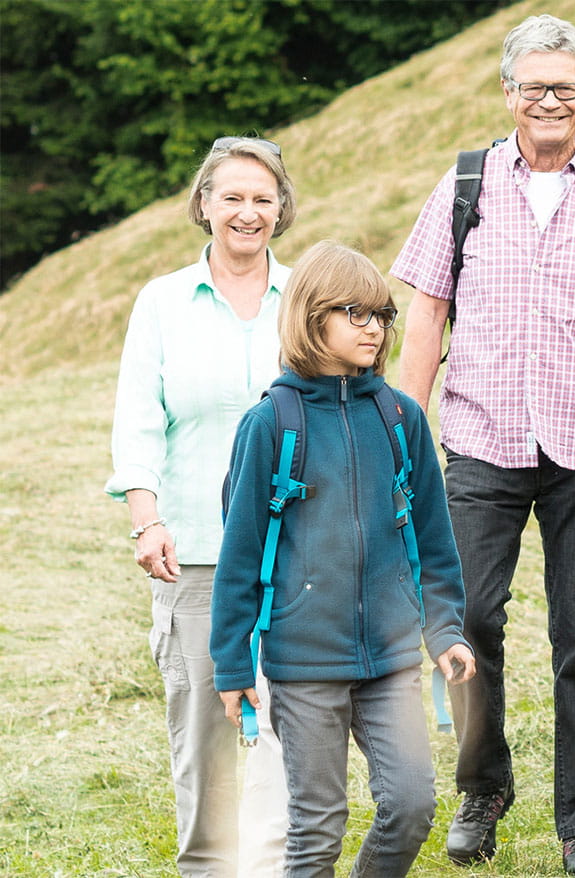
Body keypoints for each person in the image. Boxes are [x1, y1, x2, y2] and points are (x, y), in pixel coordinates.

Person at [389, 13, 575, 874]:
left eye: (566, 86)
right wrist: (402, 436)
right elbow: (427, 312)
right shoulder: (465, 183)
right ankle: (484, 788)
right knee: (468, 620)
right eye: (534, 86)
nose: (550, 100)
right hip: (480, 437)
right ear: (508, 94)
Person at [209, 240, 476, 877]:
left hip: (390, 658)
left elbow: (434, 541)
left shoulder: (401, 417)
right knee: (317, 827)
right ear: (311, 316)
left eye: (382, 315)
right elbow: (239, 553)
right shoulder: (271, 423)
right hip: (301, 664)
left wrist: (443, 628)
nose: (374, 328)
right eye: (355, 313)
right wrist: (231, 664)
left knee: (411, 805)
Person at [105, 135, 296, 878]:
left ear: (281, 208)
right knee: (204, 736)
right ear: (204, 205)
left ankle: (285, 866)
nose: (247, 212)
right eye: (232, 197)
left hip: (298, 550)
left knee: (294, 728)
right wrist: (146, 519)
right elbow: (138, 421)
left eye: (261, 198)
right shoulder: (162, 302)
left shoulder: (306, 295)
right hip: (197, 552)